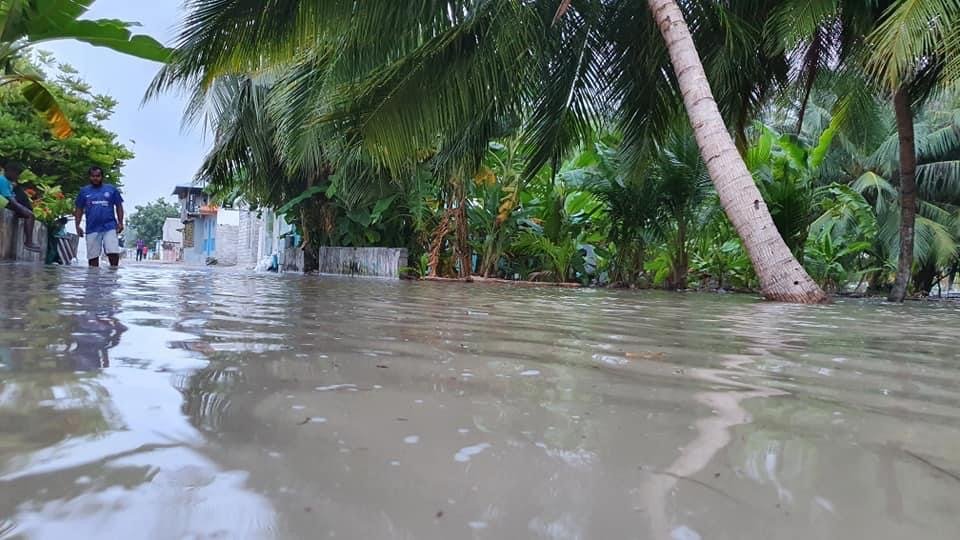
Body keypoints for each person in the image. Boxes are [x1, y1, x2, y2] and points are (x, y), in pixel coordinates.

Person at [74, 166, 124, 267]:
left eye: (98, 176)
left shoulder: (111, 189)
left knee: (113, 251)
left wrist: (120, 222)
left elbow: (119, 206)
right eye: (93, 176)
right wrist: (77, 225)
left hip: (109, 226)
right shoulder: (84, 191)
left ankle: (113, 275)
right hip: (92, 228)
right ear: (89, 177)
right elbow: (79, 209)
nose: (95, 178)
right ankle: (93, 279)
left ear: (102, 177)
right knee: (93, 257)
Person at [0, 161, 41, 252]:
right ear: (10, 171)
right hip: (5, 203)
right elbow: (11, 199)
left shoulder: (9, 182)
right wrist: (23, 209)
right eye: (16, 174)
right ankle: (28, 242)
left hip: (8, 203)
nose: (17, 176)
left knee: (28, 213)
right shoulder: (2, 180)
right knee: (30, 215)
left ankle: (29, 242)